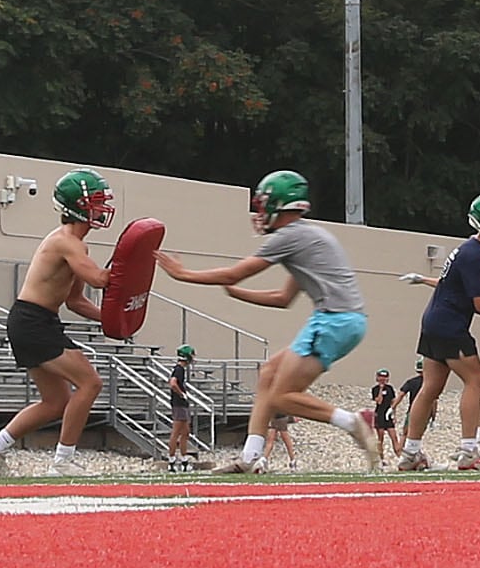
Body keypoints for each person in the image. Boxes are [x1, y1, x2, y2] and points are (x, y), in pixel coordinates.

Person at [153, 169, 374, 472]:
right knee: (269, 373)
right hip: (343, 320)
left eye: (263, 204)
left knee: (282, 396)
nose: (259, 212)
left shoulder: (289, 235)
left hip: (333, 319)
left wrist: (183, 274)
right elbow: (282, 298)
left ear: (278, 205)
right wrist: (237, 295)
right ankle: (249, 457)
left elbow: (235, 272)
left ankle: (352, 422)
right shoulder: (310, 235)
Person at [0, 168, 119, 474]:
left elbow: (75, 300)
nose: (100, 207)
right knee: (90, 382)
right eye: (95, 201)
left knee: (55, 401)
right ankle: (63, 462)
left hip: (37, 321)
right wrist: (130, 265)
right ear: (77, 205)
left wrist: (111, 321)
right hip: (33, 321)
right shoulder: (67, 241)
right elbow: (99, 278)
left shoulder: (77, 245)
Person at [395, 191, 480, 470]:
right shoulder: (475, 254)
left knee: (430, 387)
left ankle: (410, 453)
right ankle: (469, 452)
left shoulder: (468, 249)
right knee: (475, 382)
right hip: (451, 325)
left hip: (433, 320)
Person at [167, 344, 197, 471]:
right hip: (179, 404)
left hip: (182, 404)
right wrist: (182, 394)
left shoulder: (181, 370)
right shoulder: (178, 369)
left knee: (185, 433)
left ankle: (184, 460)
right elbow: (173, 383)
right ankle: (172, 460)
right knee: (176, 432)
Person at [368, 370, 398, 467]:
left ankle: (400, 456)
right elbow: (379, 401)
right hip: (379, 414)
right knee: (380, 438)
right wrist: (381, 389)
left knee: (394, 436)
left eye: (385, 377)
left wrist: (394, 414)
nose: (383, 379)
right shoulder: (375, 389)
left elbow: (393, 402)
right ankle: (381, 459)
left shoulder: (390, 388)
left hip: (388, 414)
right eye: (381, 377)